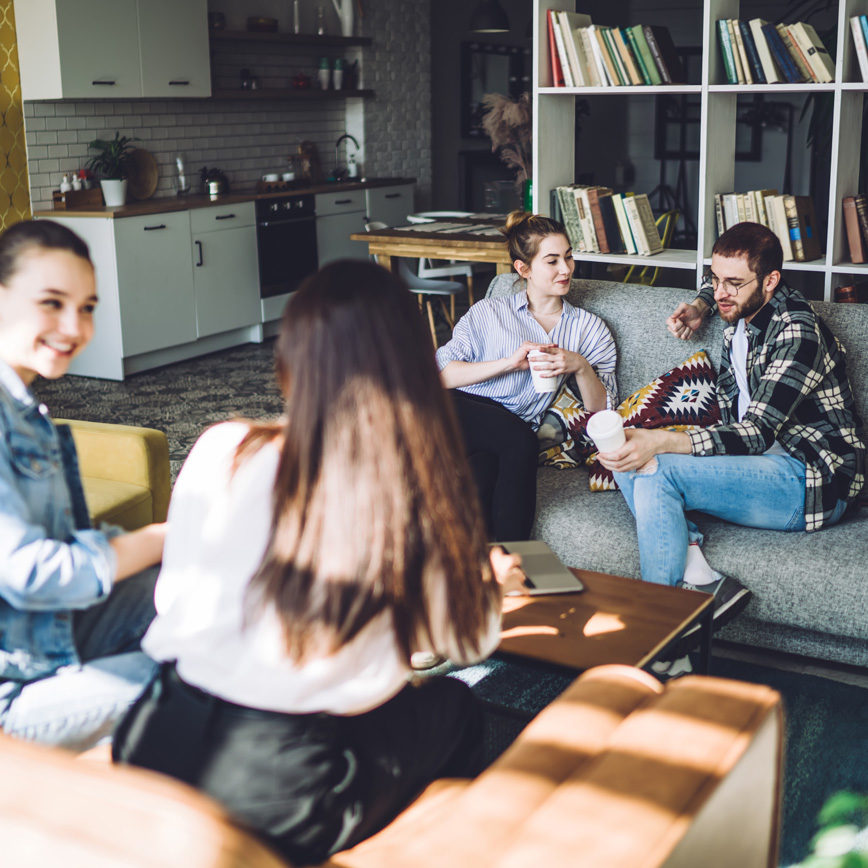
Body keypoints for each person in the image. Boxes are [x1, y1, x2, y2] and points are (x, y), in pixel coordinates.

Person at [112, 260, 526, 866]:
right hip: (274, 786)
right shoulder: (407, 485)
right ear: (408, 363)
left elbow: (172, 596)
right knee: (457, 709)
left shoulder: (221, 444)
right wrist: (493, 589)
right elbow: (462, 643)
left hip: (154, 735)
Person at [598, 221, 865, 633]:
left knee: (654, 462)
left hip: (813, 477)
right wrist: (702, 305)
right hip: (760, 464)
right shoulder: (742, 305)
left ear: (771, 280)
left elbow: (757, 433)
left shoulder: (798, 332)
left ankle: (656, 629)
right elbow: (720, 287)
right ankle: (700, 577)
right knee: (625, 457)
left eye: (733, 283)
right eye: (715, 278)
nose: (721, 291)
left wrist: (662, 440)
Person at [0, 219, 165, 752]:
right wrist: (165, 536)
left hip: (45, 634)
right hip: (11, 691)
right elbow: (31, 572)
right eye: (51, 302)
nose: (74, 326)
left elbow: (68, 537)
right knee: (202, 669)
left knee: (203, 597)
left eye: (87, 307)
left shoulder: (23, 411)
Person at [436, 211, 618, 540]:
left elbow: (602, 411)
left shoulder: (589, 329)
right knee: (520, 440)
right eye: (552, 261)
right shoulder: (489, 312)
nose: (566, 269)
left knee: (482, 471)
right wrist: (507, 363)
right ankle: (521, 567)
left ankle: (480, 574)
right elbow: (440, 376)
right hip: (454, 408)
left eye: (569, 257)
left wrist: (579, 365)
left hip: (504, 430)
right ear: (524, 269)